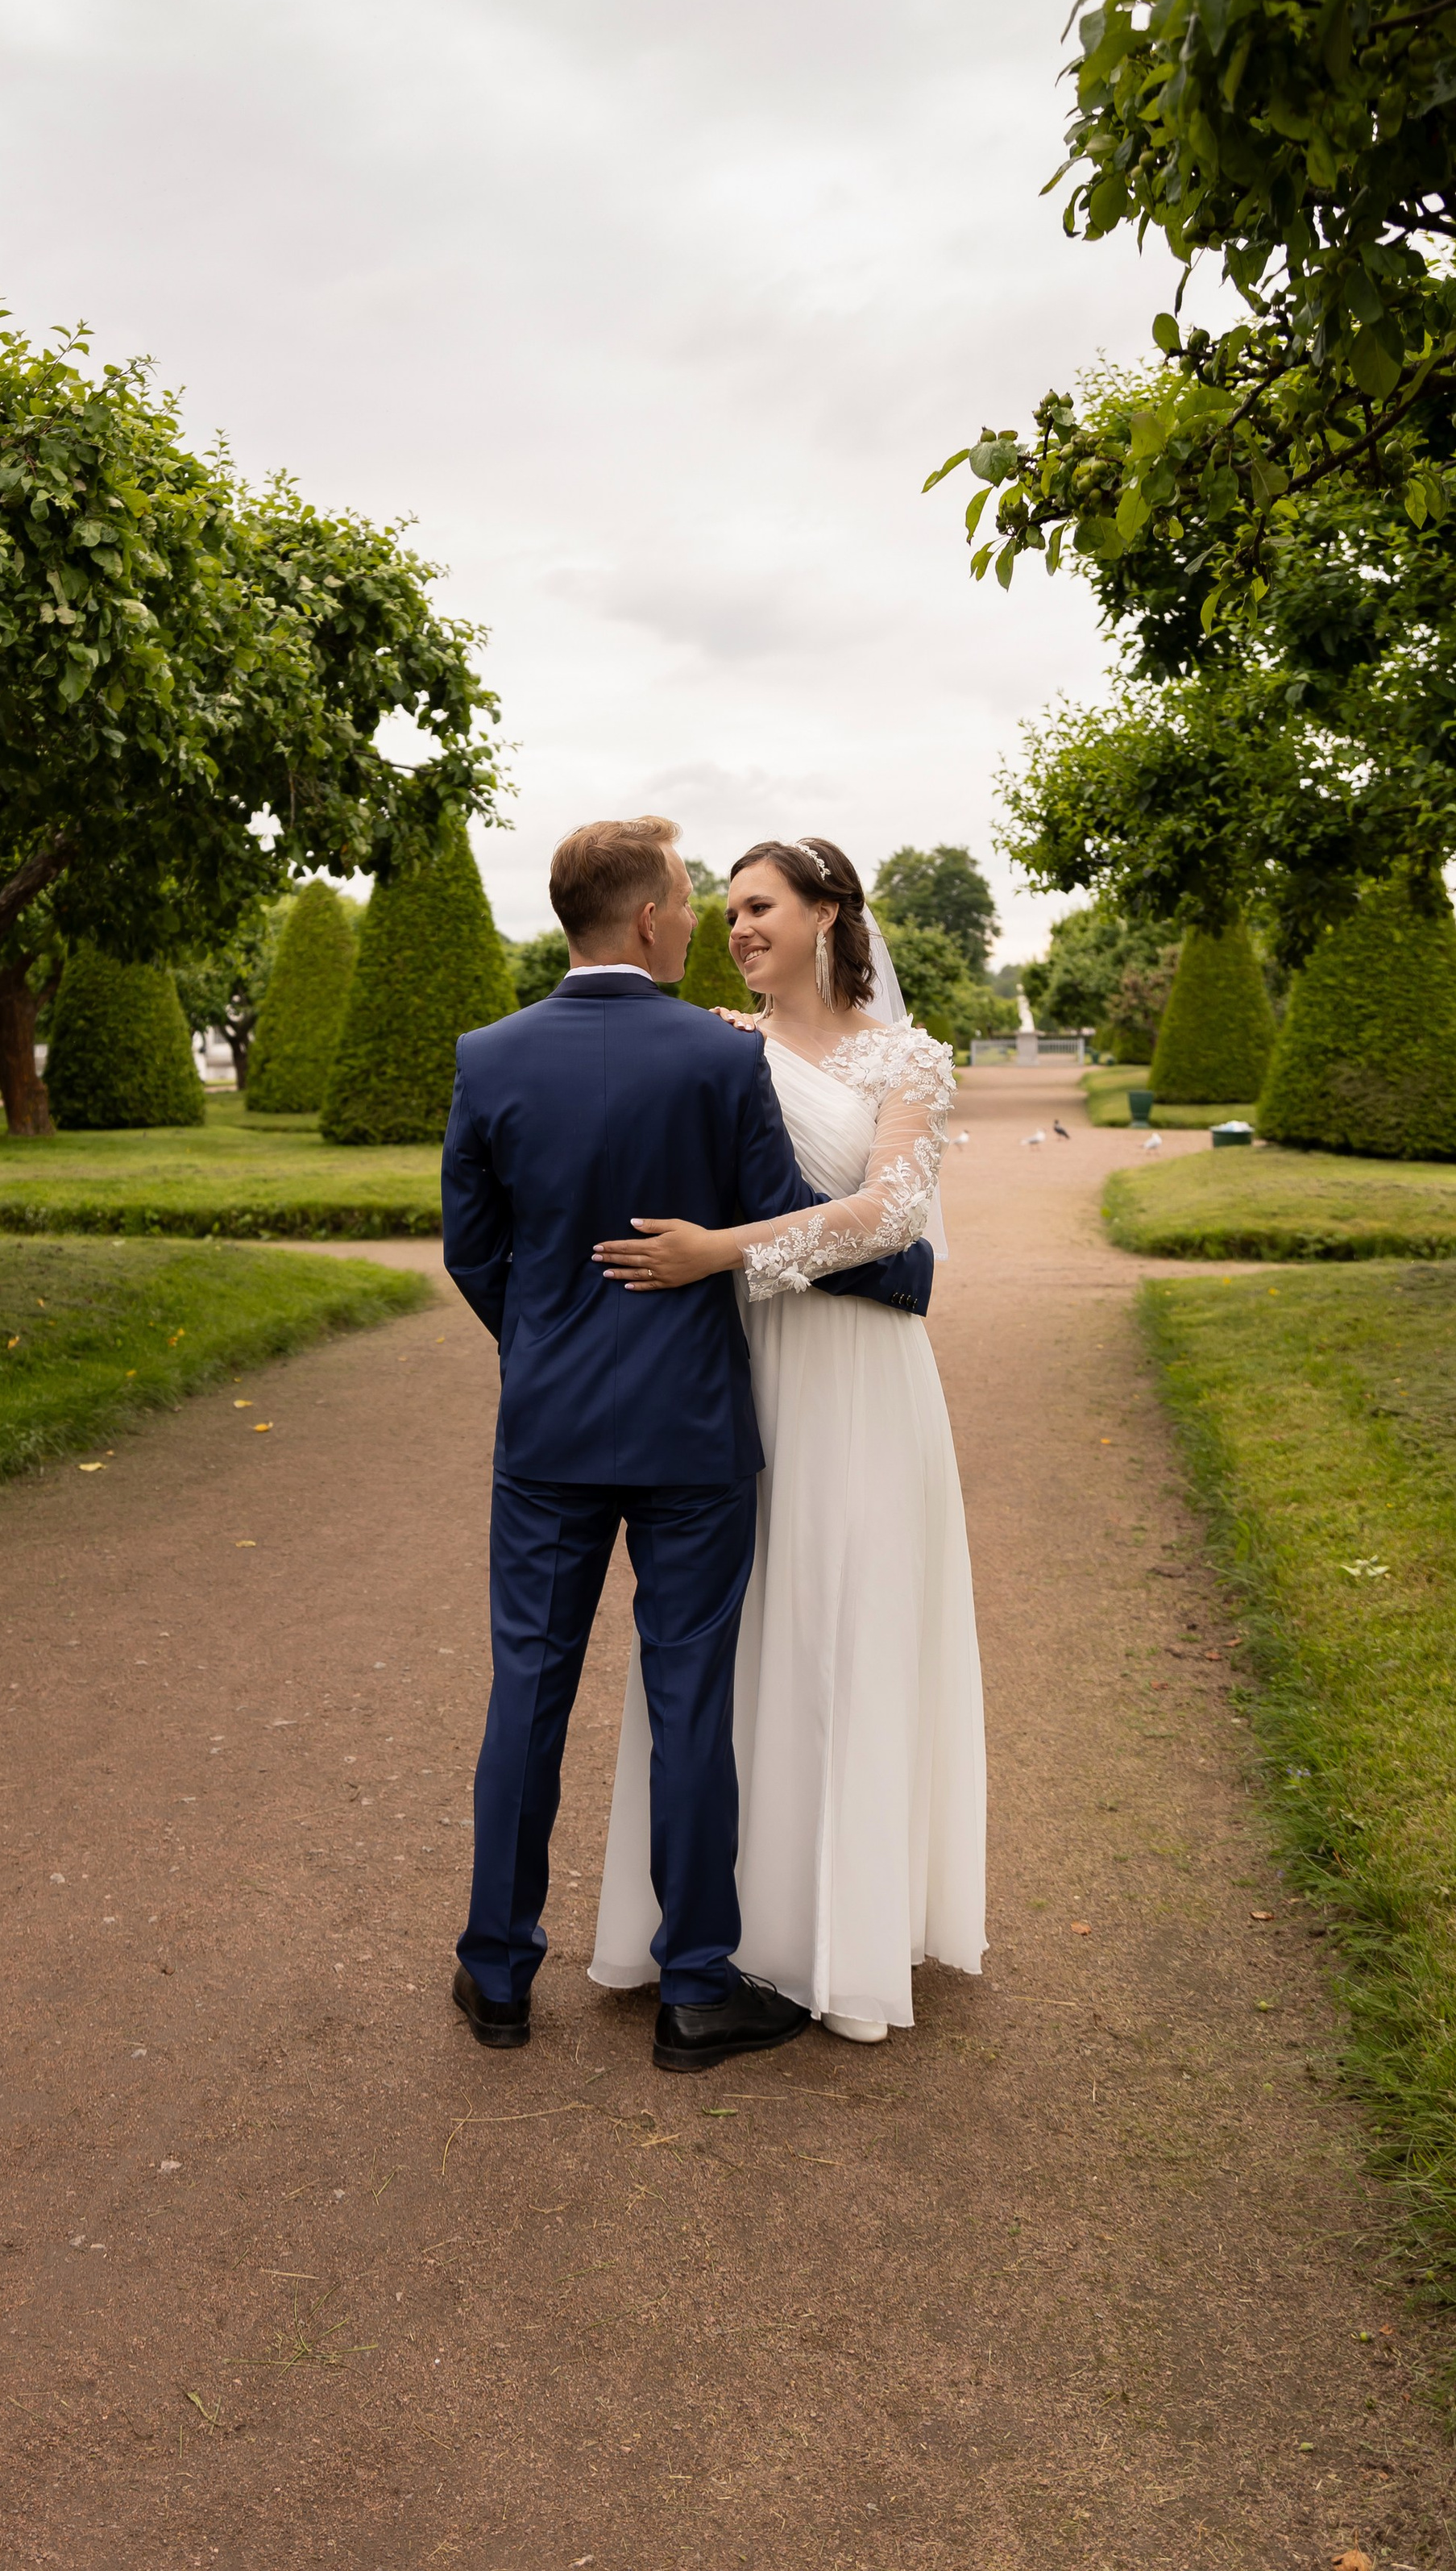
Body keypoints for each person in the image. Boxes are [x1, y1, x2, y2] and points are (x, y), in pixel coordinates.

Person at [440, 816, 934, 2074]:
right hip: (696, 1430)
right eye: (688, 900)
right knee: (692, 1695)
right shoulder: (721, 1064)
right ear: (653, 919)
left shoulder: (488, 1055)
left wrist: (547, 1343)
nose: (705, 923)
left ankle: (497, 1976)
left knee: (528, 1691)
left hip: (548, 1431)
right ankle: (697, 1992)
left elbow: (472, 1250)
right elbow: (774, 1222)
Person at [587, 835, 985, 2042]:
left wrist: (727, 1250)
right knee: (732, 1635)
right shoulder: (719, 1045)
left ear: (827, 914)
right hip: (742, 1375)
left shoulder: (906, 1058)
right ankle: (725, 1928)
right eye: (732, 912)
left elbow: (891, 1214)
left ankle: (841, 1933)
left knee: (846, 1619)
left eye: (762, 907)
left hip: (860, 1380)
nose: (741, 928)